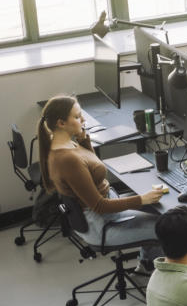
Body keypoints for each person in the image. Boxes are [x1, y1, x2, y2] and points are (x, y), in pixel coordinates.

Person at [38, 95, 163, 270]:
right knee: (167, 226)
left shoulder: (65, 144)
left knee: (159, 208)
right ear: (61, 123)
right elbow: (99, 206)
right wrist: (142, 199)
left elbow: (92, 167)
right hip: (102, 224)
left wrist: (83, 140)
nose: (82, 119)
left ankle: (146, 264)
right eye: (77, 116)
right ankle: (164, 281)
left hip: (106, 209)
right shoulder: (67, 159)